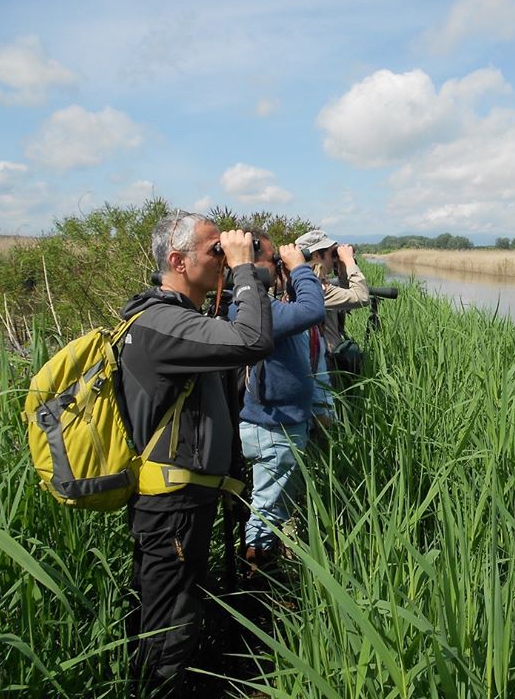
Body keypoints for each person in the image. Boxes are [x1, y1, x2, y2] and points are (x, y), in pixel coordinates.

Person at [118, 210, 274, 695]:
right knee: (170, 628)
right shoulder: (162, 324)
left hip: (186, 505)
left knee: (179, 612)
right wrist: (247, 269)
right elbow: (252, 339)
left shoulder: (183, 321)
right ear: (176, 261)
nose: (224, 258)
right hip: (171, 512)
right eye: (215, 251)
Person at [230, 230, 332, 574]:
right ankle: (258, 582)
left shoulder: (259, 307)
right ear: (253, 264)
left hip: (277, 425)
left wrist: (290, 275)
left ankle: (266, 566)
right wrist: (300, 268)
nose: (278, 265)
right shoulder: (255, 311)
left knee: (273, 505)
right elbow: (312, 311)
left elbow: (298, 312)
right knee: (267, 510)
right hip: (274, 429)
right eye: (273, 260)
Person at [294, 229, 369, 363]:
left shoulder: (301, 282)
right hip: (326, 363)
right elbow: (361, 297)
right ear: (316, 255)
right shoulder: (316, 288)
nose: (334, 257)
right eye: (331, 253)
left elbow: (345, 301)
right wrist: (349, 260)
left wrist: (342, 271)